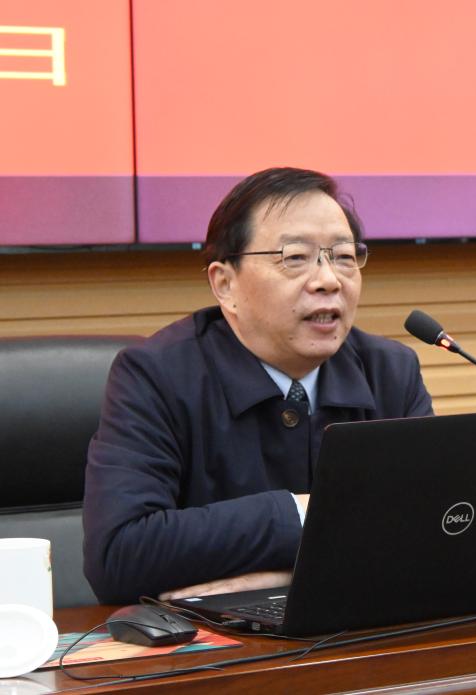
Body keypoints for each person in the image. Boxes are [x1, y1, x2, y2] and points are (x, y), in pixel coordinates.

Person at [83, 167, 433, 604]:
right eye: (295, 258)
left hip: (360, 632)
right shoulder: (155, 377)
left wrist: (282, 579)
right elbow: (119, 556)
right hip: (214, 645)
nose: (328, 280)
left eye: (344, 256)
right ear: (225, 284)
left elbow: (431, 534)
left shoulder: (390, 372)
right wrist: (304, 513)